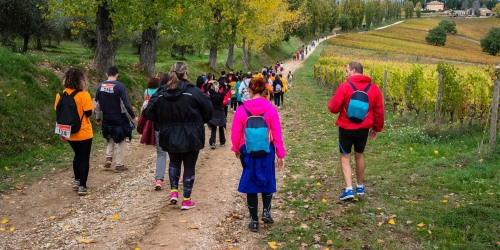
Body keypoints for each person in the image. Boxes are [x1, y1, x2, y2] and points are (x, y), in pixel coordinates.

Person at [145, 62, 213, 210]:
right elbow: (208, 110)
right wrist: (200, 120)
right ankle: (187, 199)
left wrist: (162, 119)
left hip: (169, 133)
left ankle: (174, 192)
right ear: (186, 73)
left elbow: (148, 112)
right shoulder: (193, 91)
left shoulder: (162, 92)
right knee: (189, 165)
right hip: (192, 133)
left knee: (174, 162)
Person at [231, 76, 286, 232]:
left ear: (250, 91)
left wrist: (236, 148)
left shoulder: (242, 110)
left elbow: (236, 132)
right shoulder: (271, 109)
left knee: (251, 182)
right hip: (266, 149)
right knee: (267, 178)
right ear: (264, 91)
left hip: (247, 150)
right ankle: (266, 212)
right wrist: (280, 154)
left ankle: (254, 221)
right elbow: (277, 133)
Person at [328, 62, 384, 200]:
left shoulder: (345, 86)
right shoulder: (374, 88)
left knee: (345, 157)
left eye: (347, 70)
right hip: (363, 129)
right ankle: (360, 187)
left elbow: (333, 108)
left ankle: (348, 189)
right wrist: (376, 128)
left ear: (353, 70)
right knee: (359, 155)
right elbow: (379, 111)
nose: (346, 73)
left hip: (346, 128)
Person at [54, 68, 94, 196]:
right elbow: (88, 113)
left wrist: (62, 132)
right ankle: (83, 186)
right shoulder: (84, 95)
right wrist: (92, 105)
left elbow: (58, 113)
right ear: (81, 80)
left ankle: (77, 181)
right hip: (84, 132)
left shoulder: (60, 95)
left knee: (77, 155)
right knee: (84, 158)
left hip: (69, 132)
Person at [95, 66, 137, 173]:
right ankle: (119, 164)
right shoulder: (120, 86)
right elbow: (126, 103)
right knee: (122, 138)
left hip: (106, 117)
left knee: (110, 136)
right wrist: (133, 116)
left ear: (107, 74)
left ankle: (109, 157)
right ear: (117, 74)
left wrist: (98, 117)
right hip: (119, 117)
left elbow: (97, 104)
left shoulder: (100, 86)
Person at [207, 80, 230, 149]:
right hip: (220, 112)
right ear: (219, 88)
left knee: (213, 128)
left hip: (213, 112)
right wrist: (224, 84)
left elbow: (206, 88)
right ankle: (222, 142)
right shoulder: (221, 94)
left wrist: (209, 83)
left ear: (212, 87)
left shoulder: (211, 94)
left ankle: (213, 142)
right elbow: (228, 87)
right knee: (221, 127)